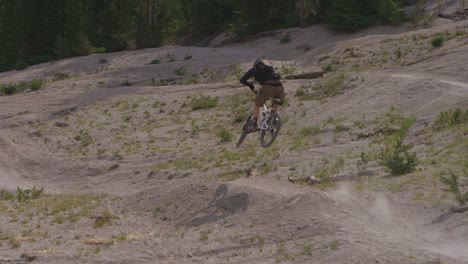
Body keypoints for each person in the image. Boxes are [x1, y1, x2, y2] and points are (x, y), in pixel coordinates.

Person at [240, 59, 285, 130]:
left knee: (257, 104)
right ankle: (275, 118)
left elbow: (242, 80)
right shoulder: (272, 69)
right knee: (277, 101)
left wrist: (251, 86)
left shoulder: (254, 69)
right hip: (280, 86)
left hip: (267, 87)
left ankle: (254, 123)